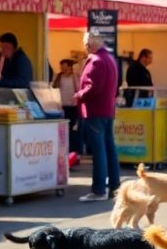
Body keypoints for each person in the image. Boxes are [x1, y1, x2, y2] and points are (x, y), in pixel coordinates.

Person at [75, 31, 122, 201]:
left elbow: (94, 87)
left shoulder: (96, 61)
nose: (85, 46)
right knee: (109, 149)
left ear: (94, 42)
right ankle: (115, 187)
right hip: (107, 110)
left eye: (86, 43)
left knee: (99, 151)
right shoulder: (109, 59)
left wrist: (79, 95)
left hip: (95, 111)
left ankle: (99, 190)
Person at [52, 57, 82, 155]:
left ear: (70, 67)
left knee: (73, 128)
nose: (63, 69)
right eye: (61, 67)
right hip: (62, 106)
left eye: (65, 67)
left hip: (72, 106)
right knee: (63, 128)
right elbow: (54, 88)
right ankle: (63, 149)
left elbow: (78, 89)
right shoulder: (58, 77)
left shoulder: (75, 77)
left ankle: (74, 151)